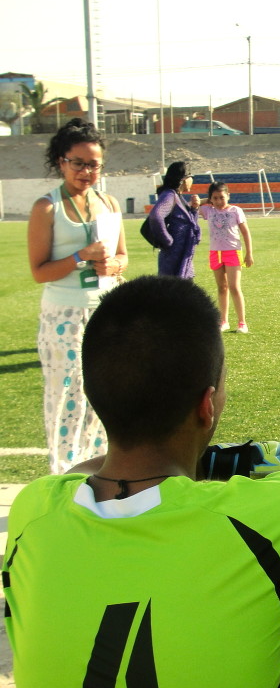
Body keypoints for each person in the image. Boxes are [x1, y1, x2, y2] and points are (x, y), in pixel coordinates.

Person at [3, 275, 280, 688]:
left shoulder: (32, 512)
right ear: (207, 404)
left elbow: (78, 474)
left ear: (97, 393)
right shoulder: (256, 516)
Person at [27, 118, 128, 474]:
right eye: (78, 163)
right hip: (64, 314)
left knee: (106, 393)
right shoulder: (47, 208)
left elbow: (122, 256)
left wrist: (112, 265)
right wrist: (79, 257)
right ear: (61, 162)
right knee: (66, 397)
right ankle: (64, 475)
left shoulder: (110, 202)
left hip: (106, 312)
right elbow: (39, 271)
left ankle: (100, 471)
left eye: (94, 164)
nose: (86, 171)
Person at [198, 182, 254, 333]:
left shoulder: (236, 211)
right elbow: (193, 204)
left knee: (234, 287)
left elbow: (245, 232)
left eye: (222, 197)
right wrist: (207, 200)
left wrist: (249, 253)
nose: (218, 201)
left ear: (228, 196)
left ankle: (242, 322)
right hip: (216, 253)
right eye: (215, 198)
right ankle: (223, 321)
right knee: (222, 288)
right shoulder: (208, 210)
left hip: (232, 251)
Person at [149, 160, 201, 278]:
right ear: (184, 179)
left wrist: (194, 209)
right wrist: (168, 241)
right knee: (172, 293)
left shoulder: (178, 197)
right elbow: (155, 216)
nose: (192, 180)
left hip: (183, 257)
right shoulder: (169, 196)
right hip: (172, 260)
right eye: (190, 177)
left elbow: (189, 224)